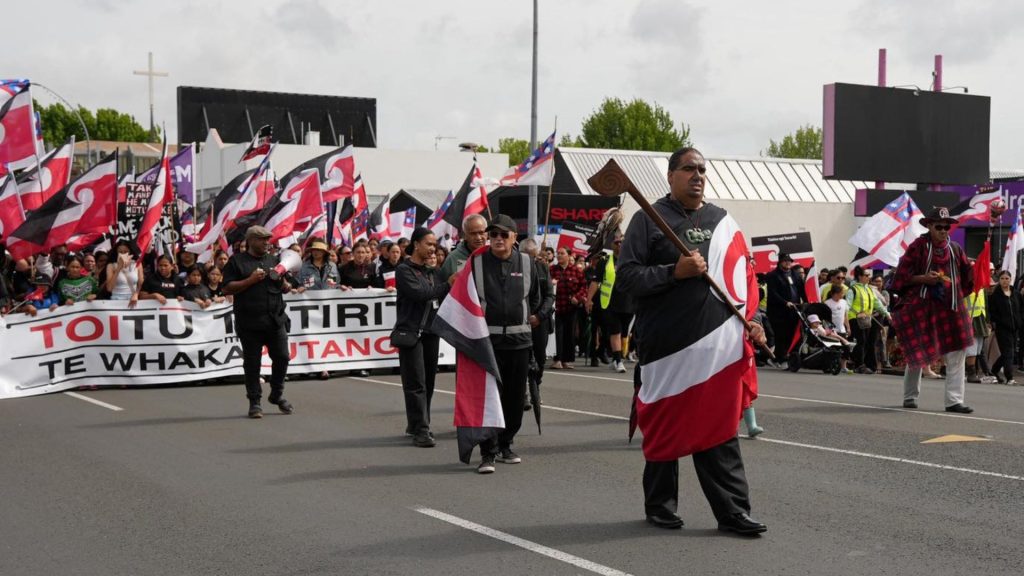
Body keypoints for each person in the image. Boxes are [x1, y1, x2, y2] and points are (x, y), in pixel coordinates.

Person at [617, 146, 767, 535]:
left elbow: (743, 281)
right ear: (670, 176)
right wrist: (674, 272)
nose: (697, 175)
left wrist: (752, 320)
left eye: (702, 169)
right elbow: (628, 279)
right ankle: (660, 505)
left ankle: (733, 512)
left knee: (720, 430)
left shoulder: (723, 222)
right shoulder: (647, 219)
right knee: (665, 426)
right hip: (665, 348)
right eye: (688, 169)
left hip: (717, 351)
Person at [470, 214, 544, 474]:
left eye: (503, 234)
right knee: (490, 399)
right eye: (493, 235)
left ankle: (506, 443)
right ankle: (487, 453)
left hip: (519, 343)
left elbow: (538, 297)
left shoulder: (527, 262)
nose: (497, 239)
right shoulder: (476, 262)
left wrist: (535, 316)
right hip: (487, 343)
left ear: (515, 238)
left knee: (514, 400)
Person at [890, 207, 975, 413]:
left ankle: (954, 400)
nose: (944, 230)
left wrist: (959, 291)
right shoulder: (918, 247)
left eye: (947, 227)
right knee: (918, 351)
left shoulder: (955, 249)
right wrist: (924, 279)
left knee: (958, 351)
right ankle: (910, 396)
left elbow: (967, 278)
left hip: (950, 307)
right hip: (923, 306)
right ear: (929, 226)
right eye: (939, 226)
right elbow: (901, 277)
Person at [222, 226, 295, 418]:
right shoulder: (236, 262)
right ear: (251, 240)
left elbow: (287, 288)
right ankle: (255, 402)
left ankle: (277, 394)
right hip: (250, 322)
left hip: (275, 320)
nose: (266, 243)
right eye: (262, 240)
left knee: (282, 357)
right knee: (252, 363)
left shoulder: (274, 260)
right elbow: (227, 288)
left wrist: (282, 282)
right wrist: (250, 280)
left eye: (268, 239)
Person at [395, 228, 452, 447]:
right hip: (411, 333)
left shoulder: (433, 272)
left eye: (434, 245)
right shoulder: (404, 270)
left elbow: (442, 294)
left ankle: (417, 422)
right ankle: (422, 429)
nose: (432, 249)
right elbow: (420, 294)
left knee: (428, 381)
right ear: (416, 244)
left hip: (430, 332)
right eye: (428, 244)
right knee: (415, 382)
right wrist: (448, 284)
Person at [519, 238, 555, 410]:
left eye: (534, 256)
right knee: (521, 358)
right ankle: (522, 392)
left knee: (539, 357)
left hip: (540, 321)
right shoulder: (515, 268)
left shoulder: (542, 267)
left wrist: (539, 316)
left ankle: (536, 386)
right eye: (528, 256)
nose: (532, 260)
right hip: (519, 321)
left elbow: (550, 295)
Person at [549, 246, 588, 369]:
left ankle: (567, 360)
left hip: (571, 308)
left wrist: (578, 297)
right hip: (557, 308)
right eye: (558, 253)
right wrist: (551, 284)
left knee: (569, 334)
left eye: (562, 253)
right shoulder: (552, 270)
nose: (559, 255)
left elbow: (584, 287)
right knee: (558, 334)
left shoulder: (577, 271)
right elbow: (545, 284)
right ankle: (557, 359)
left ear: (569, 255)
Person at [846, 266, 889, 374]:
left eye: (869, 275)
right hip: (855, 318)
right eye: (866, 275)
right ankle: (859, 365)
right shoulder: (853, 289)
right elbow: (847, 305)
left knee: (867, 342)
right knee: (861, 341)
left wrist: (887, 314)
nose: (869, 277)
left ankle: (864, 364)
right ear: (860, 277)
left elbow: (876, 303)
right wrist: (857, 313)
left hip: (866, 319)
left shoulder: (869, 289)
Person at [765, 253, 801, 365]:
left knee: (790, 334)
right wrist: (785, 302)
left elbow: (801, 288)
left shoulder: (795, 274)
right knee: (780, 334)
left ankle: (779, 357)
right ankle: (782, 358)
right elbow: (773, 293)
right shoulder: (772, 275)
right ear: (780, 261)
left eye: (789, 261)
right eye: (785, 261)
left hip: (793, 310)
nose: (788, 263)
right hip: (778, 311)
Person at [987, 269, 1021, 385]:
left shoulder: (1016, 294)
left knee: (1007, 353)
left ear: (1011, 280)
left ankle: (994, 370)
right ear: (999, 280)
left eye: (1007, 278)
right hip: (1002, 329)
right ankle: (1009, 377)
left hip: (1015, 328)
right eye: (1002, 278)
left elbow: (1020, 309)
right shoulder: (995, 295)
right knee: (1009, 351)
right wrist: (998, 322)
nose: (1005, 281)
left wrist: (1019, 322)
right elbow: (992, 312)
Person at [440, 213, 488, 278]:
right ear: (465, 235)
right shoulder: (453, 259)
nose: (478, 238)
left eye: (481, 232)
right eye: (473, 234)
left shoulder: (494, 255)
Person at [105, 239, 143, 308]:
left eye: (125, 252)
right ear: (116, 253)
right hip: (116, 301)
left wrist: (136, 294)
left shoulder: (137, 264)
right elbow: (109, 288)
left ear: (130, 252)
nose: (123, 254)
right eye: (120, 252)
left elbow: (140, 283)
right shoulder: (111, 266)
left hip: (133, 300)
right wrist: (119, 268)